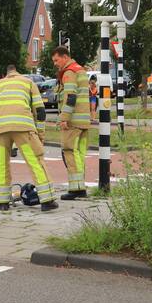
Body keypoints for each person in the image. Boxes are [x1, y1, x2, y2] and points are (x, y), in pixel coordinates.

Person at [0, 64, 57, 212]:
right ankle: (47, 200)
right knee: (35, 161)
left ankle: (2, 202)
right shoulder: (28, 82)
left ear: (6, 74)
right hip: (23, 127)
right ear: (18, 72)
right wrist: (40, 134)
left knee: (1, 164)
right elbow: (40, 110)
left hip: (0, 129)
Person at [52, 46, 90, 200]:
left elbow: (71, 97)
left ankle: (75, 189)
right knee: (79, 154)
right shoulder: (80, 70)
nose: (55, 63)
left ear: (65, 57)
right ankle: (80, 187)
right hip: (83, 121)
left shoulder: (69, 73)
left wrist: (64, 118)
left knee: (69, 152)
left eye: (56, 60)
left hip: (72, 121)